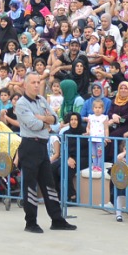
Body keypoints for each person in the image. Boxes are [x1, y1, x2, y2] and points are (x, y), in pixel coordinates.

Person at [12, 71, 76, 234]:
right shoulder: (21, 104)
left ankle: (57, 219)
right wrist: (46, 121)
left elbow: (55, 119)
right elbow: (32, 124)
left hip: (42, 146)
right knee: (30, 187)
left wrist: (45, 119)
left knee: (49, 185)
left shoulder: (41, 100)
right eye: (32, 82)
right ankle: (31, 222)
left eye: (38, 82)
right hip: (29, 146)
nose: (36, 84)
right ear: (25, 85)